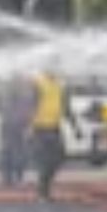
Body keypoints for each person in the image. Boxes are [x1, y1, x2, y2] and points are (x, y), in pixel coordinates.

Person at [29, 70, 79, 202]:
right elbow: (30, 105)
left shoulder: (60, 86)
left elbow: (66, 108)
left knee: (59, 158)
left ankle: (44, 190)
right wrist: (28, 126)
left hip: (54, 127)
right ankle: (42, 193)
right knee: (45, 160)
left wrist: (75, 127)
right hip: (40, 127)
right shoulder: (37, 84)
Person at [0, 75, 36, 189]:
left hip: (10, 124)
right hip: (17, 124)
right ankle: (16, 178)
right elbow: (29, 109)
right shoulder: (26, 92)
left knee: (9, 152)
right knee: (18, 152)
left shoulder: (4, 91)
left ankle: (8, 178)